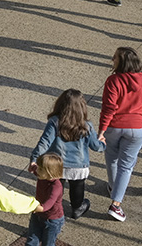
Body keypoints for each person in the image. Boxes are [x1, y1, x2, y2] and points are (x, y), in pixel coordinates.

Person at [97, 47, 142, 222]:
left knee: (111, 159)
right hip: (137, 128)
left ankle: (113, 187)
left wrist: (101, 131)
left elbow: (108, 109)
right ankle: (116, 204)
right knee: (126, 165)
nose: (112, 59)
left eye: (115, 57)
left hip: (115, 127)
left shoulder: (113, 81)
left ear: (122, 62)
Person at [28, 89, 105, 220]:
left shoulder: (54, 122)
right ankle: (77, 208)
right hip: (79, 166)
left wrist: (34, 158)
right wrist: (103, 143)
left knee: (57, 187)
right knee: (78, 187)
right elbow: (95, 146)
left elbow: (44, 142)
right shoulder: (87, 126)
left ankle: (55, 206)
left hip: (58, 164)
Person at [0, 153, 65, 246]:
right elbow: (33, 169)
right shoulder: (43, 175)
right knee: (30, 243)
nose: (37, 171)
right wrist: (33, 166)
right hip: (37, 216)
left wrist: (24, 205)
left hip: (53, 220)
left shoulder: (56, 187)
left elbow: (46, 206)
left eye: (40, 169)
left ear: (50, 173)